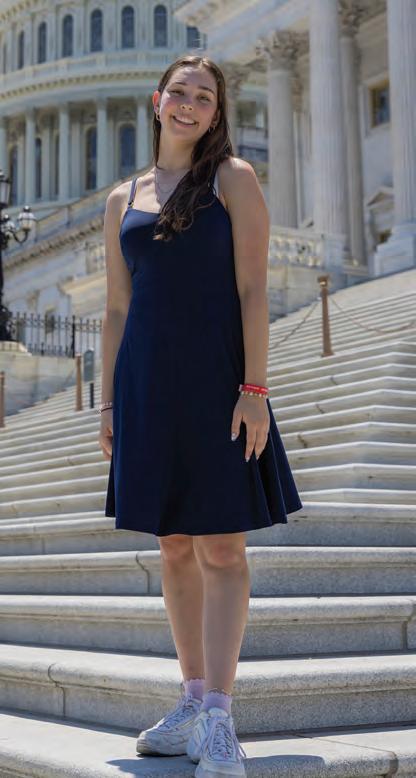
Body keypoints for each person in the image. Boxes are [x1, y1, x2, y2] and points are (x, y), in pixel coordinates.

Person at [99, 54, 303, 778]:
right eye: (179, 92)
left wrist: (255, 389)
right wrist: (110, 403)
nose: (189, 104)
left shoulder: (232, 180)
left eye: (205, 97)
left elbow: (254, 290)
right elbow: (116, 308)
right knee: (174, 547)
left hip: (219, 382)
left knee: (222, 548)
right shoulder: (121, 198)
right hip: (146, 387)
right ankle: (188, 701)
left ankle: (219, 715)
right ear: (157, 101)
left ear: (217, 113)